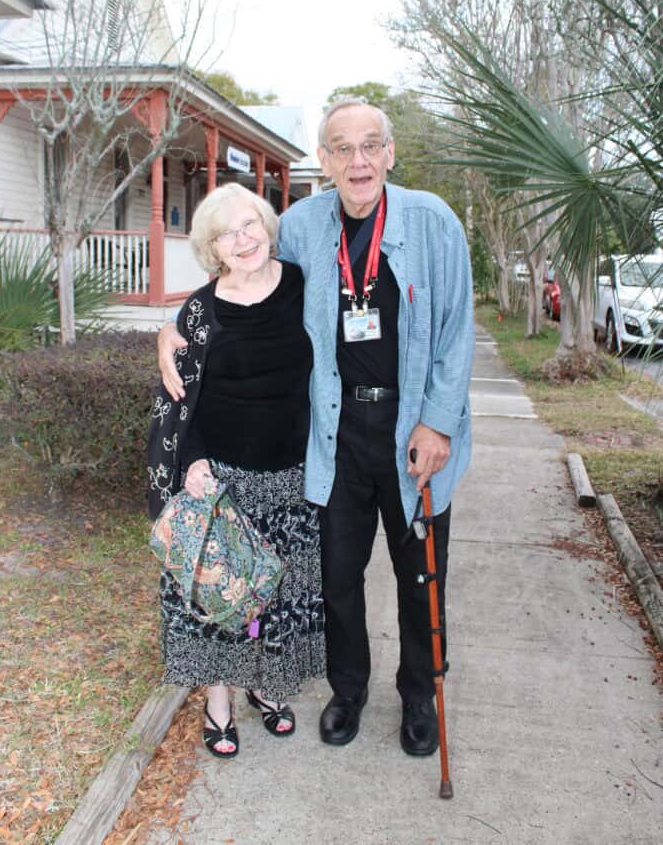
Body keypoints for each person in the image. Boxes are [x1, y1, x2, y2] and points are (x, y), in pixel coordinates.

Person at [158, 97, 474, 757]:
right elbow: (241, 285)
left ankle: (418, 694)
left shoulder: (431, 223)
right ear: (323, 160)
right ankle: (348, 689)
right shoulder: (302, 225)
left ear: (388, 152)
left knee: (420, 572)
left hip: (410, 427)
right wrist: (171, 328)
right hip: (333, 432)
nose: (357, 161)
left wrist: (438, 424)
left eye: (370, 146)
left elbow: (454, 330)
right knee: (337, 578)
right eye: (341, 148)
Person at [148, 183, 325, 759]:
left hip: (294, 473)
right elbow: (182, 394)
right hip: (222, 478)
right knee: (221, 591)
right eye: (228, 233)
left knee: (280, 591)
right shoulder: (199, 309)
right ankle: (218, 699)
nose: (243, 239)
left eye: (250, 224)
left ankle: (268, 687)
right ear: (213, 248)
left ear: (268, 226)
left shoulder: (303, 285)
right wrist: (193, 461)